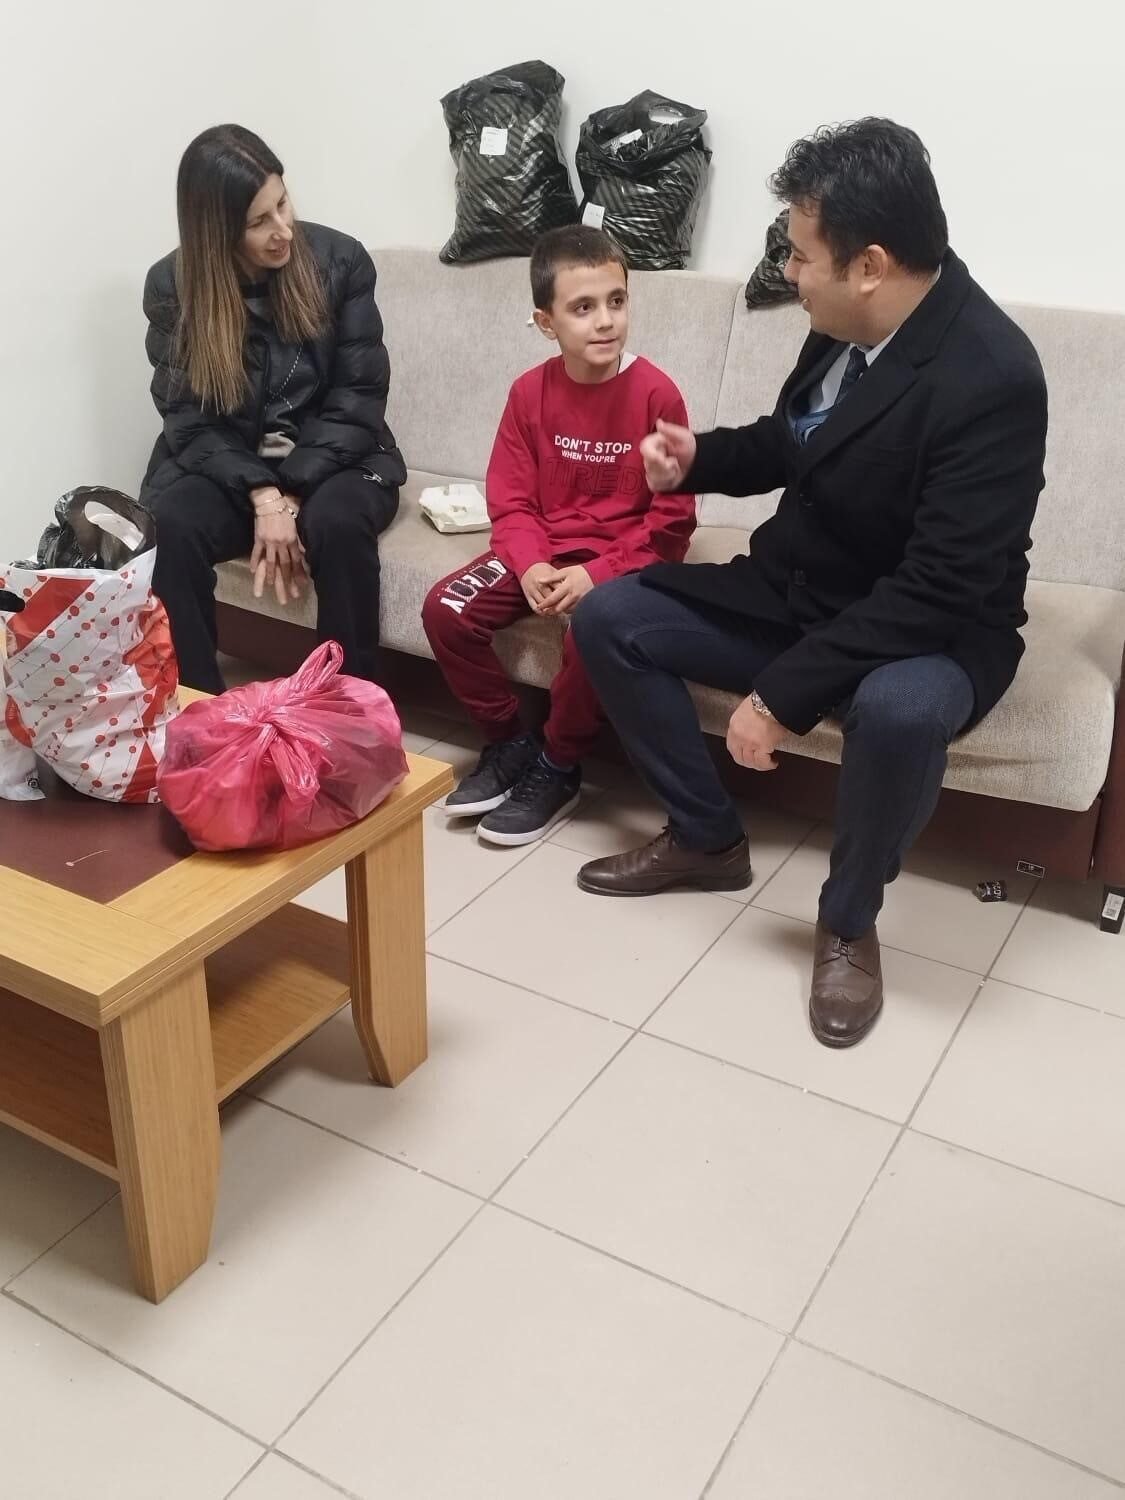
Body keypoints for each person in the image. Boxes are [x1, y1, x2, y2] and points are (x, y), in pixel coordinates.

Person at [570, 118, 1048, 1048]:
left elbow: (940, 585)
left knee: (899, 711)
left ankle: (848, 921)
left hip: (930, 628)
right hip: (799, 589)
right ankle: (705, 837)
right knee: (612, 616)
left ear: (868, 265)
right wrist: (697, 459)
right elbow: (798, 441)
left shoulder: (992, 376)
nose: (786, 272)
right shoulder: (844, 327)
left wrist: (778, 696)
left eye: (798, 254)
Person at [421, 225, 696, 846]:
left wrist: (597, 574)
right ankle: (507, 743)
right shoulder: (529, 393)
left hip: (622, 560)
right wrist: (530, 565)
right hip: (542, 550)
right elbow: (511, 501)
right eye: (583, 307)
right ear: (547, 323)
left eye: (617, 301)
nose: (606, 321)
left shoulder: (658, 395)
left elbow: (672, 524)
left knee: (592, 634)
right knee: (445, 609)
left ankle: (557, 763)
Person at [141, 124, 405, 692]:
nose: (283, 229)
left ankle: (346, 704)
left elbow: (358, 397)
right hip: (233, 467)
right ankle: (197, 710)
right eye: (259, 221)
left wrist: (291, 494)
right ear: (215, 232)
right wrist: (262, 494)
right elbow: (188, 419)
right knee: (174, 522)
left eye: (282, 204)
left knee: (337, 523)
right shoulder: (172, 286)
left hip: (338, 459)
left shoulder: (340, 261)